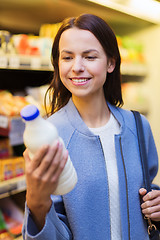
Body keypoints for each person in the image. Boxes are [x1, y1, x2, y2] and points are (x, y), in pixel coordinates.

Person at [22, 14, 160, 240]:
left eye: (89, 56)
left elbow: (148, 189)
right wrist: (36, 204)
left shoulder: (138, 126)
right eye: (67, 57)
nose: (77, 67)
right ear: (57, 63)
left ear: (110, 63)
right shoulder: (50, 136)